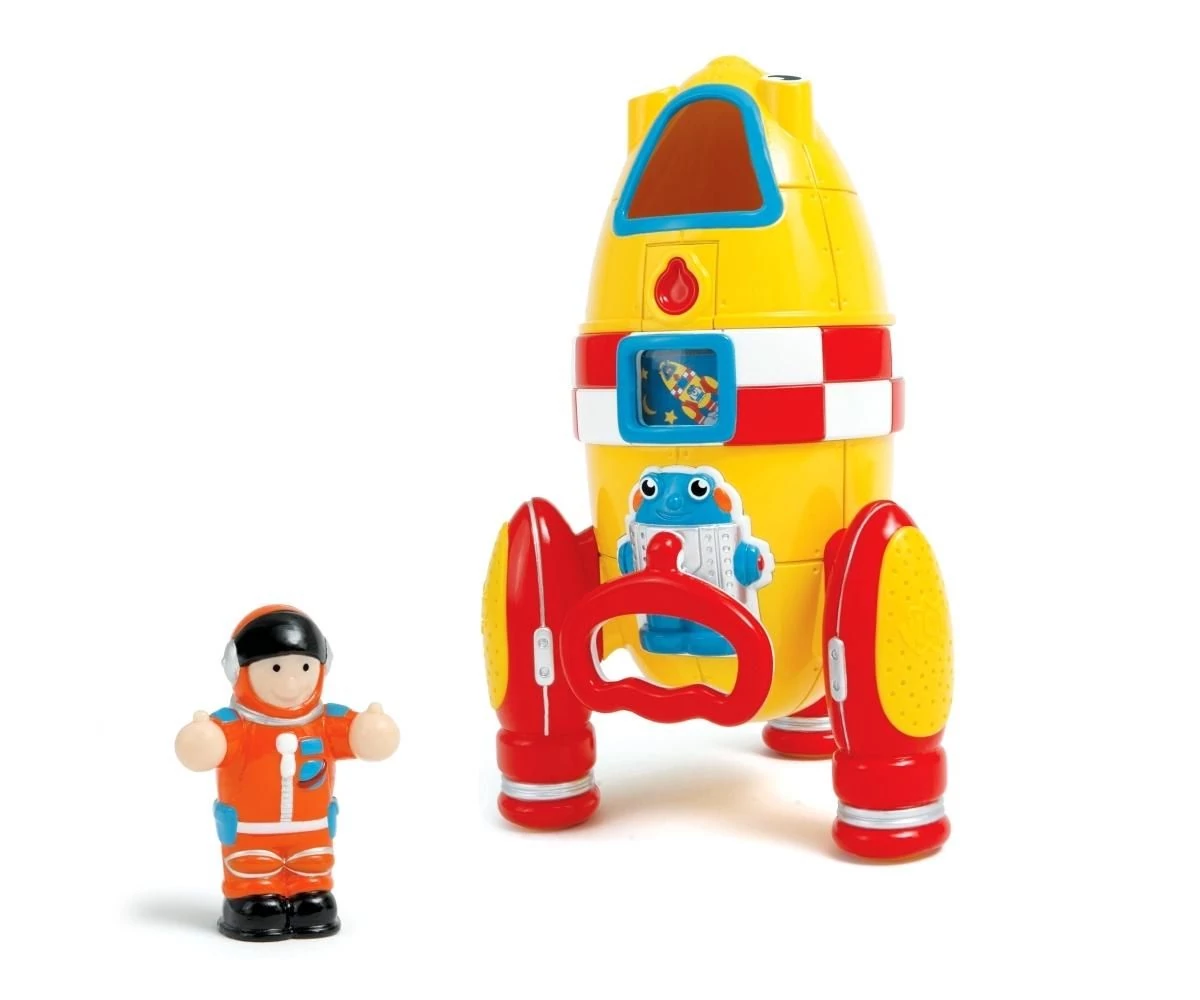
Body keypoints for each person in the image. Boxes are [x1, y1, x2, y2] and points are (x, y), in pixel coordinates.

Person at [174, 604, 399, 941]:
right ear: (239, 670)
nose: (291, 682)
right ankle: (250, 898)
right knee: (251, 866)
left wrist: (372, 731)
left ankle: (310, 892)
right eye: (276, 668)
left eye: (304, 667)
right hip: (250, 832)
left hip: (312, 831)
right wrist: (203, 740)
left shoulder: (326, 721)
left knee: (312, 865)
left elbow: (360, 736)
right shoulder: (236, 725)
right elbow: (207, 746)